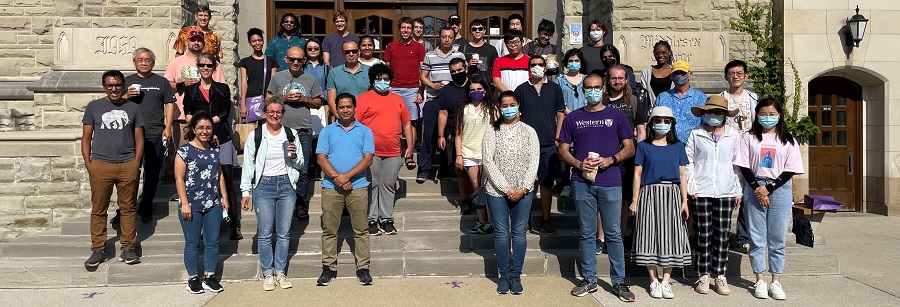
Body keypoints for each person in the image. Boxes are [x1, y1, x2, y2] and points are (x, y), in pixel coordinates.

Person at [558, 74, 636, 301]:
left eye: (596, 87)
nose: (592, 91)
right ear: (583, 90)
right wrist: (578, 163)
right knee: (586, 233)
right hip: (582, 182)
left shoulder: (616, 116)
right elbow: (563, 149)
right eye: (588, 88)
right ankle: (589, 279)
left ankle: (619, 281)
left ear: (603, 90)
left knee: (613, 234)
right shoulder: (574, 118)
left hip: (611, 181)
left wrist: (611, 159)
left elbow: (630, 147)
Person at [734, 98, 804, 300]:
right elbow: (744, 165)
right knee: (756, 238)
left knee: (777, 237)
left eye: (772, 114)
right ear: (757, 115)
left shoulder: (788, 139)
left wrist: (770, 188)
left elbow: (791, 168)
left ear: (779, 115)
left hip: (779, 189)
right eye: (763, 114)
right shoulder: (749, 137)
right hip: (754, 186)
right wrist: (758, 188)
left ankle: (776, 281)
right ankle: (760, 279)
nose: (767, 118)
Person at [82, 70, 145, 269]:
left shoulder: (133, 108)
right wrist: (89, 164)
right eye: (109, 85)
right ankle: (98, 249)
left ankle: (128, 247)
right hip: (101, 164)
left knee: (128, 208)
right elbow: (86, 138)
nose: (114, 89)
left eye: (117, 85)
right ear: (104, 87)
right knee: (99, 209)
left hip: (127, 164)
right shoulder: (94, 107)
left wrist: (136, 162)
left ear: (123, 86)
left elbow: (139, 138)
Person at [240, 98, 304, 291]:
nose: (274, 115)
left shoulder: (291, 134)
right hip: (264, 186)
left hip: (286, 185)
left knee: (284, 233)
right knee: (265, 233)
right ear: (265, 113)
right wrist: (245, 191)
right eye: (271, 112)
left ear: (282, 114)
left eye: (278, 112)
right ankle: (268, 272)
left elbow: (301, 163)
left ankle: (280, 272)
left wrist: (293, 156)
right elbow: (248, 166)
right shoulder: (256, 135)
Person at [630, 106, 691, 300]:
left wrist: (684, 200)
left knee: (670, 236)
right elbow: (637, 174)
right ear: (651, 123)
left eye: (666, 121)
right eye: (658, 120)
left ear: (672, 124)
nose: (662, 124)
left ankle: (666, 280)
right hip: (649, 193)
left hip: (672, 193)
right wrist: (634, 200)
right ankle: (653, 280)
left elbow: (682, 174)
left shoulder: (678, 146)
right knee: (649, 234)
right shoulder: (643, 146)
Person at [482, 91, 539, 295]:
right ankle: (504, 275)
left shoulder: (529, 131)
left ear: (518, 106)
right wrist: (506, 189)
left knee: (519, 234)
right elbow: (488, 162)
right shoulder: (492, 131)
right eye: (504, 105)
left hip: (524, 191)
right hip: (497, 191)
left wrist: (523, 187)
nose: (508, 108)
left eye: (512, 104)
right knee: (501, 233)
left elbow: (534, 161)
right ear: (499, 108)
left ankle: (516, 275)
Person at [316, 93, 376, 287]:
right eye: (341, 107)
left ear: (354, 107)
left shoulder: (365, 131)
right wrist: (338, 178)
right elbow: (321, 158)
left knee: (361, 229)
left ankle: (363, 268)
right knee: (329, 230)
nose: (345, 110)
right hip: (331, 187)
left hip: (357, 186)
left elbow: (368, 159)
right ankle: (329, 268)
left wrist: (346, 177)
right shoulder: (327, 131)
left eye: (348, 106)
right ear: (337, 109)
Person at [685, 95, 742, 296]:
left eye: (718, 112)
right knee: (703, 234)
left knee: (722, 235)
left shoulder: (734, 135)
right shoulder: (696, 134)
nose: (713, 116)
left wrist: (738, 190)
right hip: (701, 190)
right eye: (710, 112)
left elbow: (737, 165)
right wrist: (691, 186)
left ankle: (720, 275)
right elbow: (689, 161)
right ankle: (703, 274)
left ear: (725, 115)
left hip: (726, 190)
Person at [182, 53, 240, 240]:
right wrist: (200, 129)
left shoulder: (222, 88)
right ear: (198, 67)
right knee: (198, 181)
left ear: (215, 67)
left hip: (220, 137)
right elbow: (188, 112)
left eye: (209, 65)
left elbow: (224, 112)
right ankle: (199, 224)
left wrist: (207, 124)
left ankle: (233, 222)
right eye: (202, 65)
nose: (205, 68)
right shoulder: (191, 90)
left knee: (228, 181)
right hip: (199, 141)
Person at [266, 46, 325, 220]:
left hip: (303, 130)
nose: (296, 62)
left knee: (303, 169)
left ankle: (300, 204)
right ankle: (285, 202)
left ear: (304, 61)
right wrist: (283, 98)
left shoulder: (310, 79)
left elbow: (318, 102)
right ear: (286, 60)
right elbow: (268, 100)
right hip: (281, 131)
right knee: (283, 166)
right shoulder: (277, 78)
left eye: (299, 59)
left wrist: (305, 99)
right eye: (292, 59)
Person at [355, 64, 414, 236]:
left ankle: (386, 219)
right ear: (373, 80)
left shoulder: (397, 99)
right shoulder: (364, 98)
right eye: (379, 79)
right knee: (372, 185)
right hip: (369, 152)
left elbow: (407, 123)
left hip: (394, 151)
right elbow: (357, 125)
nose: (383, 82)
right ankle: (371, 219)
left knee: (388, 184)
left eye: (386, 79)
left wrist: (409, 146)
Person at [174, 111, 228, 294]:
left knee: (212, 242)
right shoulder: (184, 151)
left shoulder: (214, 150)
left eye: (208, 128)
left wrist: (224, 197)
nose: (204, 131)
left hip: (212, 202)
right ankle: (193, 278)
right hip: (192, 204)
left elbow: (219, 175)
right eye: (201, 128)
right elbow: (179, 179)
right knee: (192, 243)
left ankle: (209, 276)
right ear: (194, 129)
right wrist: (185, 203)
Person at [596, 64, 648, 254]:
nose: (617, 81)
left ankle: (619, 235)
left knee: (625, 199)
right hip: (603, 158)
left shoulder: (633, 101)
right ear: (608, 80)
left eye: (621, 78)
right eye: (613, 78)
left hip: (627, 157)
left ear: (626, 80)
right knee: (602, 198)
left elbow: (641, 130)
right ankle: (601, 238)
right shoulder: (601, 100)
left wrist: (640, 154)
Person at [122, 48, 175, 224]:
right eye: (140, 59)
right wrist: (126, 96)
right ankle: (125, 209)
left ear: (153, 62)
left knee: (152, 173)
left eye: (147, 60)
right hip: (130, 135)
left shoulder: (162, 82)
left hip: (154, 133)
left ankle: (145, 207)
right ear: (134, 62)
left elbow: (169, 105)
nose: (144, 62)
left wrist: (168, 127)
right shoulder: (126, 81)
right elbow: (115, 102)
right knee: (129, 174)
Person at [515, 55, 564, 235]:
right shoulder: (520, 90)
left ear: (545, 67)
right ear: (528, 68)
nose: (536, 67)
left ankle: (546, 220)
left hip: (548, 144)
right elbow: (516, 116)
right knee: (526, 183)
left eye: (540, 65)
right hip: (526, 144)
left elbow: (561, 115)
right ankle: (525, 221)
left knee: (546, 183)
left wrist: (557, 138)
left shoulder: (555, 88)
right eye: (533, 65)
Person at [719, 59, 758, 254]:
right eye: (732, 73)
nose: (736, 76)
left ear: (745, 76)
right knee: (728, 193)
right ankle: (722, 236)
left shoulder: (753, 98)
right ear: (726, 76)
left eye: (739, 73)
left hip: (748, 151)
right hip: (727, 150)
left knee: (747, 193)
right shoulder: (721, 97)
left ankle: (743, 237)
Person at [418, 27, 465, 183]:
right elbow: (423, 77)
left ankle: (446, 170)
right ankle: (424, 169)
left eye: (450, 37)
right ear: (439, 38)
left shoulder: (459, 55)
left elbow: (462, 75)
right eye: (444, 36)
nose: (446, 39)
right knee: (430, 135)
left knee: (448, 135)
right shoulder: (430, 55)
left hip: (453, 100)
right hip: (434, 98)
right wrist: (433, 85)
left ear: (453, 39)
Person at [164, 29, 224, 148]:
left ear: (204, 43)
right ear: (187, 42)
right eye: (193, 40)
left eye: (199, 40)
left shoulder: (213, 63)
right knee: (182, 153)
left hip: (207, 119)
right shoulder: (176, 62)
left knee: (207, 154)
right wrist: (181, 84)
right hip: (182, 118)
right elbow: (165, 87)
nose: (196, 43)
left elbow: (221, 90)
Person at [453, 77, 497, 233]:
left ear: (485, 90)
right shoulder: (464, 109)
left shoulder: (493, 109)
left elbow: (498, 131)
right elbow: (458, 133)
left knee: (488, 187)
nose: (476, 92)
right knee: (477, 187)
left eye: (479, 89)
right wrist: (459, 155)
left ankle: (491, 222)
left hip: (488, 154)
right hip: (469, 153)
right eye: (472, 90)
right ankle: (481, 221)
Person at [436, 60, 475, 213]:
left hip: (475, 132)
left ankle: (480, 199)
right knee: (461, 169)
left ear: (466, 68)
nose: (457, 73)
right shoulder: (446, 90)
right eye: (453, 72)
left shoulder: (474, 86)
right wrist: (441, 135)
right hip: (455, 133)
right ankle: (466, 200)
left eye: (460, 70)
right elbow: (443, 112)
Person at [383, 17, 426, 153]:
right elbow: (386, 69)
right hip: (394, 89)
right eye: (403, 27)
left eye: (408, 28)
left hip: (412, 89)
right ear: (399, 29)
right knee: (394, 121)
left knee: (411, 122)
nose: (406, 30)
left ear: (412, 30)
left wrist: (421, 91)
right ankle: (397, 150)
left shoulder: (419, 47)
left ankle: (410, 151)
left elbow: (423, 71)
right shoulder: (391, 46)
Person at [555, 48, 586, 200]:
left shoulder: (587, 79)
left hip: (585, 120)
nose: (574, 64)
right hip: (567, 119)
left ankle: (580, 181)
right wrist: (571, 114)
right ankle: (566, 184)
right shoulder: (560, 80)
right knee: (565, 150)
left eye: (577, 61)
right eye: (571, 61)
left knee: (582, 150)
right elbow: (559, 101)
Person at [654, 60, 706, 142]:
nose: (679, 76)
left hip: (692, 147)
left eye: (682, 73)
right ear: (671, 76)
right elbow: (654, 122)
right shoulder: (663, 97)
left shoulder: (701, 97)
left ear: (690, 75)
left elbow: (705, 124)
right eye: (676, 73)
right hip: (667, 145)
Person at [238, 28, 279, 122]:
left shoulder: (271, 61)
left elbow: (273, 83)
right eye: (254, 41)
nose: (257, 43)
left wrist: (271, 100)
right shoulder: (245, 62)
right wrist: (243, 104)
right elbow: (244, 83)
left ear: (263, 41)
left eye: (259, 40)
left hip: (267, 100)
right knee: (251, 131)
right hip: (251, 100)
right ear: (250, 43)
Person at [326, 40, 371, 120]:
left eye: (354, 51)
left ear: (359, 52)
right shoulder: (334, 72)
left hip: (366, 119)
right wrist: (342, 119)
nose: (351, 54)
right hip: (343, 120)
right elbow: (331, 101)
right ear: (343, 54)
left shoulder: (370, 71)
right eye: (347, 52)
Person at [640, 40, 674, 105]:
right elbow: (643, 92)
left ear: (669, 52)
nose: (660, 55)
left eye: (663, 53)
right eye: (657, 53)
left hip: (671, 111)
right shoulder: (647, 72)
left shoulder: (674, 71)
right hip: (653, 111)